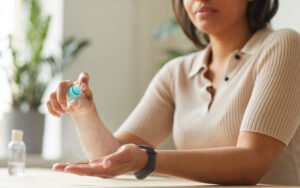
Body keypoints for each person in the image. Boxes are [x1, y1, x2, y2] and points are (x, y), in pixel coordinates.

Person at [46, 0, 300, 185]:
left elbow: (252, 162)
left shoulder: (283, 46)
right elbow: (113, 160)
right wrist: (84, 112)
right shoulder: (177, 72)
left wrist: (148, 160)